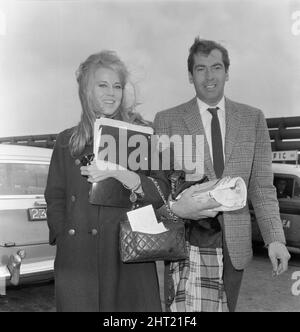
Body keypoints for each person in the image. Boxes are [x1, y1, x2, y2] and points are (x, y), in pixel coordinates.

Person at [153, 37, 291, 312]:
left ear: (227, 72)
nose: (209, 76)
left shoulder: (253, 119)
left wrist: (275, 238)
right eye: (200, 68)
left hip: (234, 246)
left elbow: (262, 187)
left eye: (216, 67)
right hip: (187, 243)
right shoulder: (166, 120)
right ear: (190, 76)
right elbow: (159, 186)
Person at [45, 50, 169, 312]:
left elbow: (161, 192)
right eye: (102, 85)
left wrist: (123, 174)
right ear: (86, 90)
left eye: (117, 86)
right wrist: (62, 233)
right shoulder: (66, 140)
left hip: (127, 256)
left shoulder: (141, 136)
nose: (111, 93)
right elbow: (54, 195)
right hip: (78, 259)